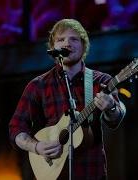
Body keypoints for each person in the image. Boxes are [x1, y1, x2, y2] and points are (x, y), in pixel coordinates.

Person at [9, 19, 126, 180]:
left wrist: (111, 107)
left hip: (91, 172)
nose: (67, 43)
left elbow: (115, 120)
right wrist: (36, 146)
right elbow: (16, 128)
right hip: (52, 173)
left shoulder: (101, 81)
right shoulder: (37, 86)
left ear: (83, 46)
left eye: (74, 39)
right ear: (52, 48)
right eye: (61, 39)